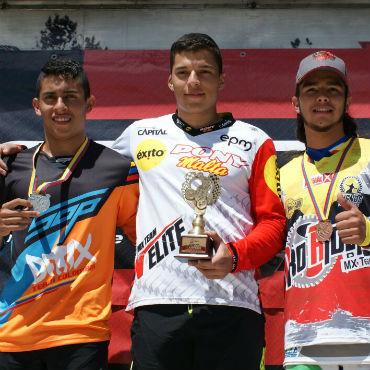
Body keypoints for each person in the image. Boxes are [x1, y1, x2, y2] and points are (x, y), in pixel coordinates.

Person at [111, 33, 286, 370]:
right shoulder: (140, 134)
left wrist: (234, 256)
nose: (193, 81)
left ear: (221, 79)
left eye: (204, 72)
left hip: (232, 305)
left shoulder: (254, 141)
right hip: (157, 304)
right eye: (183, 72)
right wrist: (15, 157)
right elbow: (79, 168)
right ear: (170, 80)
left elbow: (275, 225)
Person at [0, 58, 138, 370]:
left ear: (89, 104)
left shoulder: (118, 169)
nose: (60, 106)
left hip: (82, 333)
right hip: (12, 331)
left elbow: (144, 237)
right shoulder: (11, 165)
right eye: (51, 98)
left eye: (71, 97)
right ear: (37, 106)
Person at [280, 51, 370, 370]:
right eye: (312, 90)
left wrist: (368, 231)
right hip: (304, 343)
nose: (322, 97)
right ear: (296, 103)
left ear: (347, 102)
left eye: (333, 89)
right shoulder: (283, 173)